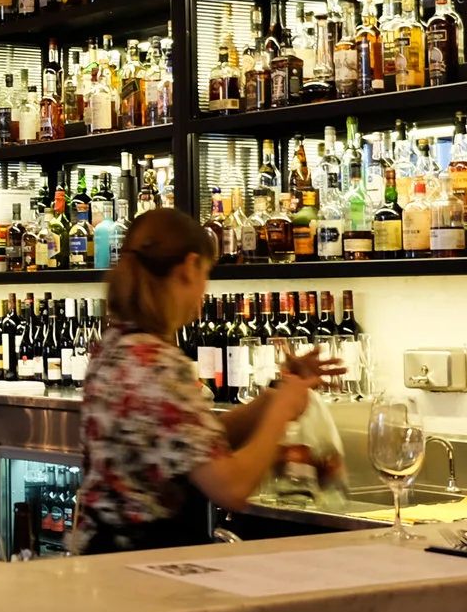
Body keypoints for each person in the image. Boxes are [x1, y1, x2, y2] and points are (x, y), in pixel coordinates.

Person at [66, 208, 325, 555]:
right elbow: (232, 487)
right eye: (206, 274)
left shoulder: (116, 346)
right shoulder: (156, 363)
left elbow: (194, 440)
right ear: (189, 268)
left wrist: (277, 394)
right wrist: (282, 412)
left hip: (106, 559)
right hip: (144, 563)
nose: (204, 290)